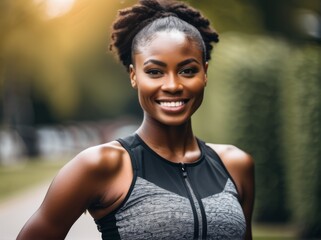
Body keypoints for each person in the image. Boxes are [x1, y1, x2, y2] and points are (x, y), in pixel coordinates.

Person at [17, 0, 254, 239]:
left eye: (188, 70)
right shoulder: (100, 166)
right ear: (134, 76)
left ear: (204, 73)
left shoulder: (236, 165)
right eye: (154, 72)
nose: (172, 85)